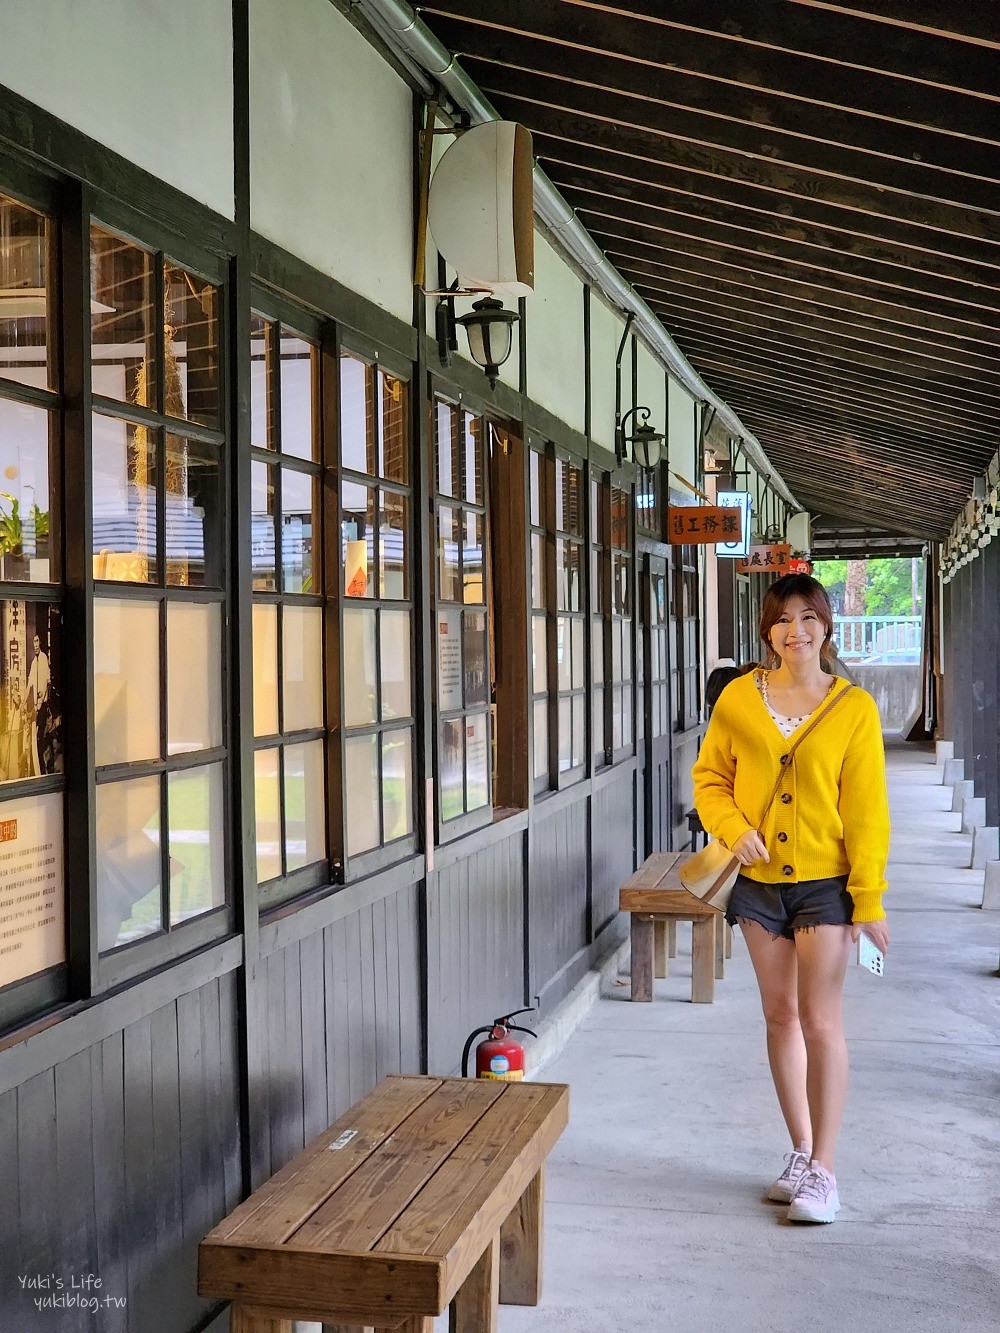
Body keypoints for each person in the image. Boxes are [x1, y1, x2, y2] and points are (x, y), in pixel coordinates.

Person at [692, 573, 889, 1224]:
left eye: (808, 617)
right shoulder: (739, 700)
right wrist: (733, 828)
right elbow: (709, 778)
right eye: (782, 618)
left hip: (825, 886)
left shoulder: (852, 708)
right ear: (767, 630)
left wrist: (869, 896)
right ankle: (801, 1151)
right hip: (758, 886)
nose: (795, 630)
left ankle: (826, 1171)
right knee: (780, 1016)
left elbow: (866, 811)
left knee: (821, 1019)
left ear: (826, 627)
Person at [25, 631, 51, 777]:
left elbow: (47, 682)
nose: (35, 645)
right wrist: (23, 703)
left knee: (41, 739)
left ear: (40, 643)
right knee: (35, 739)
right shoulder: (34, 663)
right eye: (33, 642)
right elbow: (29, 686)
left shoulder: (43, 658)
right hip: (36, 706)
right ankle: (38, 770)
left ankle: (44, 770)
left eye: (37, 641)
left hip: (43, 705)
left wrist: (42, 700)